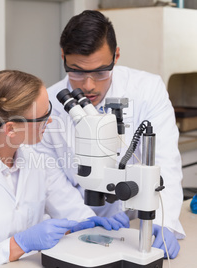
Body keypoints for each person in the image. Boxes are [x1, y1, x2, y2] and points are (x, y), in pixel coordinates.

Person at [0, 70, 129, 268]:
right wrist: (17, 245)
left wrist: (94, 224)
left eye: (48, 109)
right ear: (11, 129)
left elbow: (71, 209)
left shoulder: (38, 162)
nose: (49, 120)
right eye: (42, 117)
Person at [34, 10, 184, 259]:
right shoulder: (48, 103)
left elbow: (165, 161)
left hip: (132, 221)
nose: (89, 85)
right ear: (63, 57)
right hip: (76, 223)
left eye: (101, 72)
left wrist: (163, 221)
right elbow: (50, 177)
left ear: (116, 55)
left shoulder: (147, 89)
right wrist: (85, 220)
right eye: (77, 71)